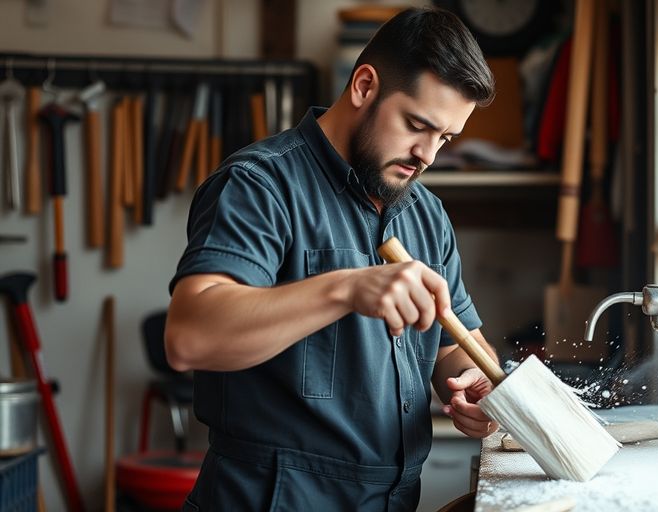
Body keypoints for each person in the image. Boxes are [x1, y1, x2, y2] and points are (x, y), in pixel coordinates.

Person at [165, 8, 499, 510]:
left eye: (445, 138)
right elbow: (189, 337)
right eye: (416, 125)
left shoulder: (426, 213)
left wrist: (479, 386)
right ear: (365, 86)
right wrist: (345, 288)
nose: (428, 155)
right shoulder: (260, 185)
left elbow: (456, 341)